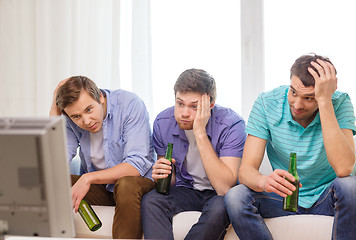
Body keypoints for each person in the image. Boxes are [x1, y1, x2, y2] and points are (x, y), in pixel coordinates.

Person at [224, 54, 356, 240]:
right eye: (293, 92)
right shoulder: (266, 102)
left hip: (326, 196)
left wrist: (325, 101)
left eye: (309, 98)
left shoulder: (339, 102)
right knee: (235, 197)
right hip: (282, 197)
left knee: (352, 186)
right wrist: (264, 181)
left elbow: (344, 169)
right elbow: (246, 171)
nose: (297, 104)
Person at [141, 69, 247, 240]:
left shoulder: (232, 125)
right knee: (151, 200)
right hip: (186, 190)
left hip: (217, 194)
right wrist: (162, 175)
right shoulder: (162, 123)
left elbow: (224, 188)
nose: (184, 113)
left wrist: (199, 132)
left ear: (210, 105)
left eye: (194, 106)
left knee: (221, 207)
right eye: (180, 103)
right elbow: (171, 182)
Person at [49, 76, 155, 239]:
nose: (86, 121)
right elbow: (55, 164)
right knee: (53, 183)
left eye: (89, 110)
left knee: (125, 183)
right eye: (76, 116)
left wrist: (87, 178)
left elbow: (136, 165)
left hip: (137, 184)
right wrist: (55, 113)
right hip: (102, 187)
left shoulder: (129, 104)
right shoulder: (71, 120)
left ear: (100, 96)